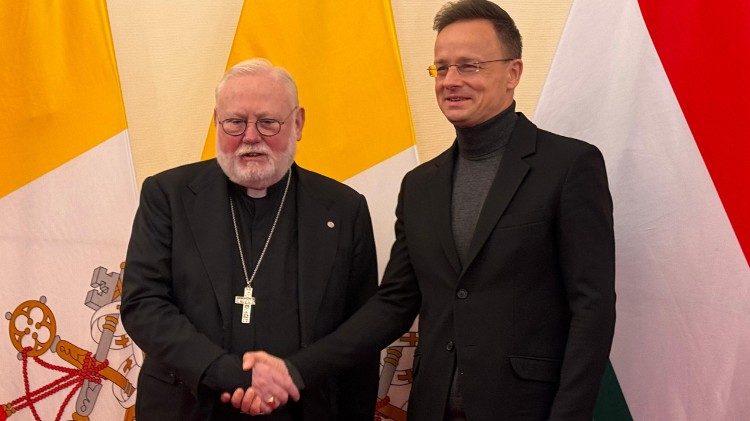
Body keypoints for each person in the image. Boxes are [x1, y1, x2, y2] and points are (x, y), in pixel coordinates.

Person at [231, 0, 616, 419]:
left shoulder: (568, 166)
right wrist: (295, 369)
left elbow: (592, 308)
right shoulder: (420, 186)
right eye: (441, 68)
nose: (451, 81)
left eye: (469, 66)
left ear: (513, 73)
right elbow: (393, 304)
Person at [120, 58, 379, 420]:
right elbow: (143, 304)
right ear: (217, 122)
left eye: (268, 122)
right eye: (236, 122)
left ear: (298, 123)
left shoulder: (344, 208)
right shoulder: (168, 195)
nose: (251, 137)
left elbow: (361, 333)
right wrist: (228, 373)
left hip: (304, 410)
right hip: (189, 407)